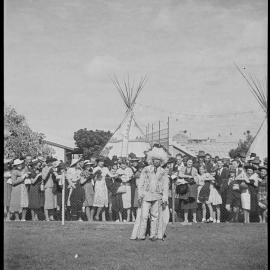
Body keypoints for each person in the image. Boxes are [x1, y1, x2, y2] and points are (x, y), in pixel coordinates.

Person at [132, 146, 169, 241]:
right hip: (146, 196)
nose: (156, 162)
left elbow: (165, 186)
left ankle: (153, 235)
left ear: (161, 161)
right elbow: (141, 183)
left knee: (155, 216)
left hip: (157, 196)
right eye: (154, 160)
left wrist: (165, 198)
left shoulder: (163, 172)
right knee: (143, 216)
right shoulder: (146, 169)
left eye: (158, 160)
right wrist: (140, 194)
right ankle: (141, 235)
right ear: (151, 160)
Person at [178, 158, 198, 224]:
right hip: (185, 187)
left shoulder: (194, 169)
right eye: (189, 162)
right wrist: (189, 176)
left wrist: (188, 177)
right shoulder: (183, 168)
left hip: (192, 187)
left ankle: (194, 219)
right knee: (185, 203)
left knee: (193, 204)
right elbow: (180, 175)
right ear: (186, 162)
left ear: (192, 163)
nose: (190, 163)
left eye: (191, 162)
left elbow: (195, 178)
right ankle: (185, 219)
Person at [42, 157, 58, 221]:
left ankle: (51, 216)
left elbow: (56, 177)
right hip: (48, 187)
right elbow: (43, 178)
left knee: (53, 203)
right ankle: (46, 217)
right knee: (47, 203)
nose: (52, 163)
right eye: (51, 162)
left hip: (53, 187)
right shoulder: (44, 169)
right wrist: (49, 171)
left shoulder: (54, 169)